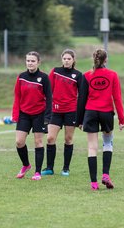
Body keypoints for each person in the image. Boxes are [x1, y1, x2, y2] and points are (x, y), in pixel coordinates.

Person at [76, 48, 124, 190]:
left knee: (92, 148)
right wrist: (121, 119)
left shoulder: (86, 76)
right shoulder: (113, 75)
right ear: (106, 59)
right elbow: (117, 98)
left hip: (90, 113)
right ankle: (105, 175)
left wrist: (79, 120)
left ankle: (93, 183)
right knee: (108, 144)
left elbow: (81, 99)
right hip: (106, 113)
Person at [11, 51, 52, 181]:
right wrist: (15, 114)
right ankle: (26, 165)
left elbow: (49, 98)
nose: (30, 63)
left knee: (38, 142)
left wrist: (47, 117)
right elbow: (17, 96)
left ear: (38, 62)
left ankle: (38, 172)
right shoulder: (21, 77)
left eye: (33, 61)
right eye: (28, 61)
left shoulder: (44, 78)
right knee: (19, 142)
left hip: (39, 114)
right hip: (24, 114)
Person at [41, 49, 82, 177]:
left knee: (68, 139)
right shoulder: (55, 71)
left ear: (73, 60)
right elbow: (48, 90)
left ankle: (66, 168)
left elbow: (82, 96)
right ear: (61, 59)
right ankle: (49, 168)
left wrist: (81, 116)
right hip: (56, 111)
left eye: (69, 58)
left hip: (71, 111)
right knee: (50, 138)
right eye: (64, 58)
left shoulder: (78, 75)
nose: (66, 61)